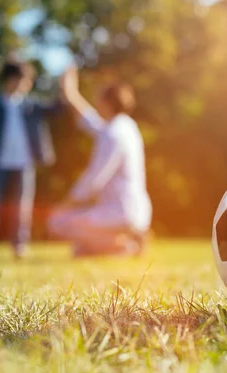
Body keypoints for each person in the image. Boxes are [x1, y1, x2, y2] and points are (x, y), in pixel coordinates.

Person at [49, 67, 152, 257]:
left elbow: (93, 181)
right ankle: (106, 243)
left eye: (98, 98)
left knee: (57, 222)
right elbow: (90, 121)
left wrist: (67, 203)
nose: (96, 103)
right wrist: (71, 93)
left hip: (120, 213)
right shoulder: (126, 126)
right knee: (79, 248)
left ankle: (125, 244)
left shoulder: (113, 134)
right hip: (135, 211)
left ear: (107, 103)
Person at [0, 60, 61, 261]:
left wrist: (65, 87)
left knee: (22, 206)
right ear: (10, 79)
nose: (26, 84)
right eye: (23, 79)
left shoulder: (30, 104)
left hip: (25, 163)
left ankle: (19, 246)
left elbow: (56, 109)